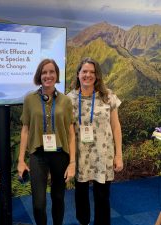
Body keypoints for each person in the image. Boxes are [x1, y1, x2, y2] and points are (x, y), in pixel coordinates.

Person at [17, 59, 76, 225]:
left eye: (52, 72)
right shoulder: (30, 99)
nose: (48, 75)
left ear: (56, 75)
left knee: (58, 199)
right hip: (38, 155)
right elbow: (25, 130)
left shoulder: (66, 101)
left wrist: (72, 162)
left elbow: (71, 134)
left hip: (60, 155)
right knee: (38, 204)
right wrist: (21, 160)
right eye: (44, 72)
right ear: (39, 75)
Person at [67, 57, 123, 225]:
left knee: (102, 195)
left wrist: (119, 154)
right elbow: (68, 132)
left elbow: (116, 127)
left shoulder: (108, 96)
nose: (88, 75)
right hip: (80, 155)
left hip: (103, 153)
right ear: (78, 74)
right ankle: (83, 221)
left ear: (97, 76)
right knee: (81, 194)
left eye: (92, 72)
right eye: (84, 71)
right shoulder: (69, 100)